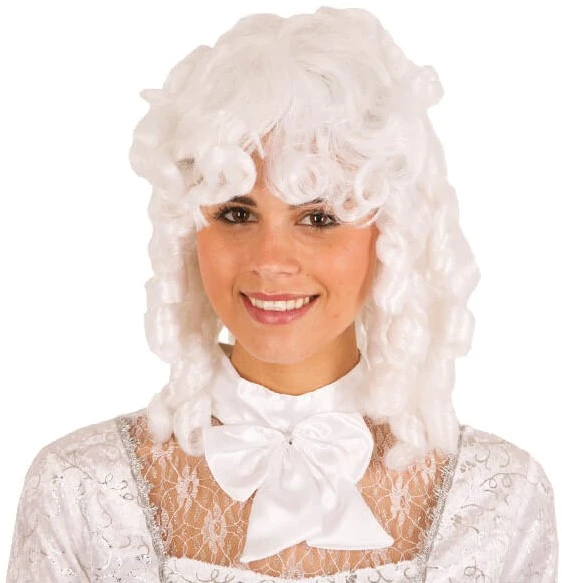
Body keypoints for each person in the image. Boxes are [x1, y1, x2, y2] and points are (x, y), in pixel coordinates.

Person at [6, 6, 558, 582]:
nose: (270, 261)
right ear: (189, 232)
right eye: (236, 213)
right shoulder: (84, 492)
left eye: (318, 218)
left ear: (391, 236)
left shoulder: (496, 499)